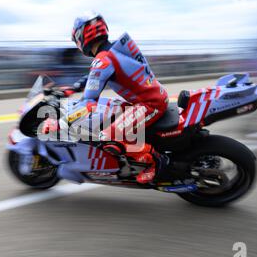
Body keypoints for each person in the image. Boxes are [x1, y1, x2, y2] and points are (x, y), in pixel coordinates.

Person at [46, 12, 169, 183]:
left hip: (149, 104)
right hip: (151, 97)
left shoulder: (104, 60)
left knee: (109, 136)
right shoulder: (112, 51)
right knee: (108, 112)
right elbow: (95, 77)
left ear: (82, 36)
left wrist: (60, 124)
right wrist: (72, 89)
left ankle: (154, 162)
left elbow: (89, 104)